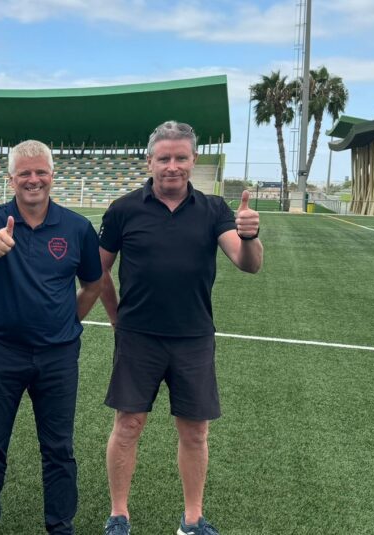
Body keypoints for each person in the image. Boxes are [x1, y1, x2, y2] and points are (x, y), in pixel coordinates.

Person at [98, 121, 263, 535]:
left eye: (181, 158)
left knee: (195, 431)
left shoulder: (214, 210)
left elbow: (248, 263)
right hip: (138, 338)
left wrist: (251, 235)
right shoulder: (123, 210)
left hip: (193, 338)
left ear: (193, 161)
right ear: (150, 161)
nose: (172, 166)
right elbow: (98, 272)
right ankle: (119, 515)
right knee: (128, 425)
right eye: (164, 158)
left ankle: (192, 519)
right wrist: (117, 317)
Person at [0, 140, 104, 534]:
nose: (33, 179)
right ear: (11, 179)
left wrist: (65, 323)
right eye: (24, 173)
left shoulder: (77, 227)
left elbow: (93, 284)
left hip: (57, 358)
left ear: (52, 176)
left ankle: (60, 525)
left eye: (40, 171)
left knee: (59, 448)